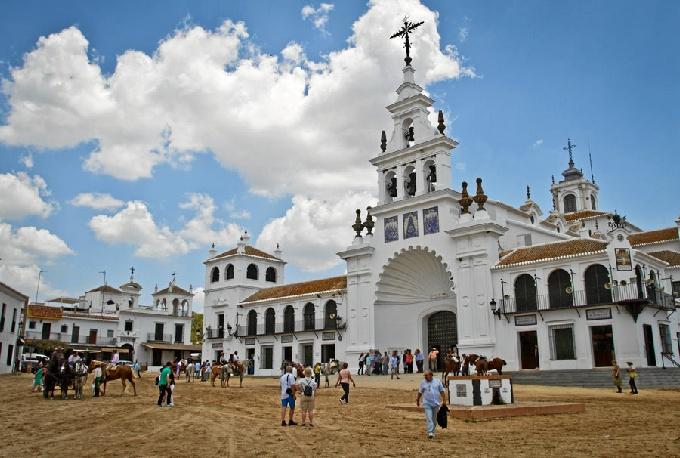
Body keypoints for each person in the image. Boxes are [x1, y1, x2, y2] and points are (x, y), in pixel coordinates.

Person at [416, 370, 447, 439]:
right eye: (425, 376)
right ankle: (430, 432)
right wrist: (417, 399)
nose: (425, 377)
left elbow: (442, 391)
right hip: (427, 402)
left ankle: (432, 431)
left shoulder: (438, 382)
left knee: (434, 419)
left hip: (436, 403)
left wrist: (444, 400)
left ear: (431, 375)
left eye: (426, 375)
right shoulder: (423, 382)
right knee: (429, 417)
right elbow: (420, 392)